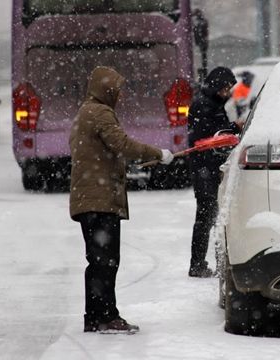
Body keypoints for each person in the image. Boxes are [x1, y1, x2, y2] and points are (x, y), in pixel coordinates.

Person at [69, 66, 174, 333]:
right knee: (106, 261)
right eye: (118, 90)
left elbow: (102, 152)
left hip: (89, 199)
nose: (121, 96)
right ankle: (106, 316)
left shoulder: (85, 112)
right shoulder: (100, 113)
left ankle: (95, 317)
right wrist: (159, 153)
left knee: (98, 261)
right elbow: (122, 144)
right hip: (99, 200)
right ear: (107, 90)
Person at [187, 67, 243, 277]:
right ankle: (197, 264)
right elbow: (215, 136)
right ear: (215, 86)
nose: (227, 93)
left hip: (207, 165)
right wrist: (234, 129)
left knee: (209, 214)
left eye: (229, 89)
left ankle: (200, 262)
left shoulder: (211, 103)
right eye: (225, 88)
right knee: (206, 214)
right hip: (204, 167)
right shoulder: (205, 105)